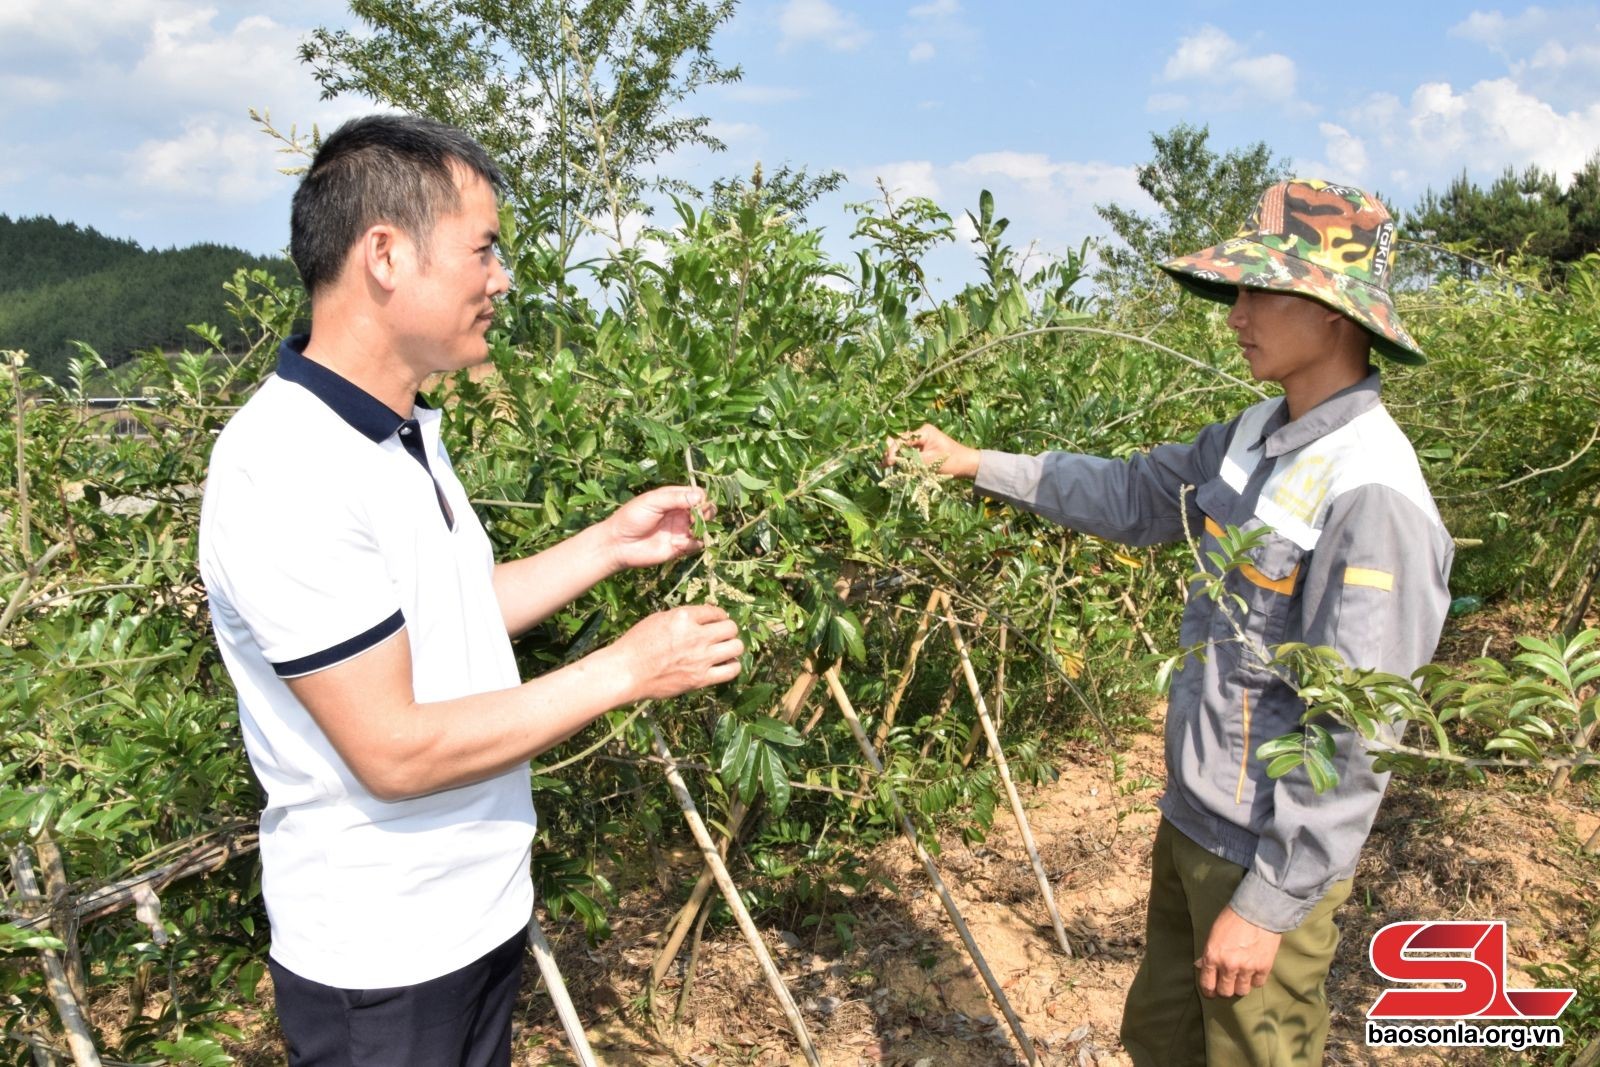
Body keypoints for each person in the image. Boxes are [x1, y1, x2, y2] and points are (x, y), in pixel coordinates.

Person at [198, 114, 744, 1067]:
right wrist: (627, 667)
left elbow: (449, 618)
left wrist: (607, 545)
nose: (502, 279)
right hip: (383, 959)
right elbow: (395, 752)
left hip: (470, 913)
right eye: (483, 249)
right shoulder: (285, 468)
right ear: (384, 255)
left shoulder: (398, 432)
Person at [886, 178, 1453, 1066]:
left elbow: (1356, 728)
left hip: (1263, 854)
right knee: (1164, 1042)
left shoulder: (1372, 489)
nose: (1236, 314)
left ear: (1337, 315)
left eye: (1261, 290)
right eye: (1237, 290)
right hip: (1194, 820)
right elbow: (1137, 494)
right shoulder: (1258, 432)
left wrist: (1269, 903)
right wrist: (973, 463)